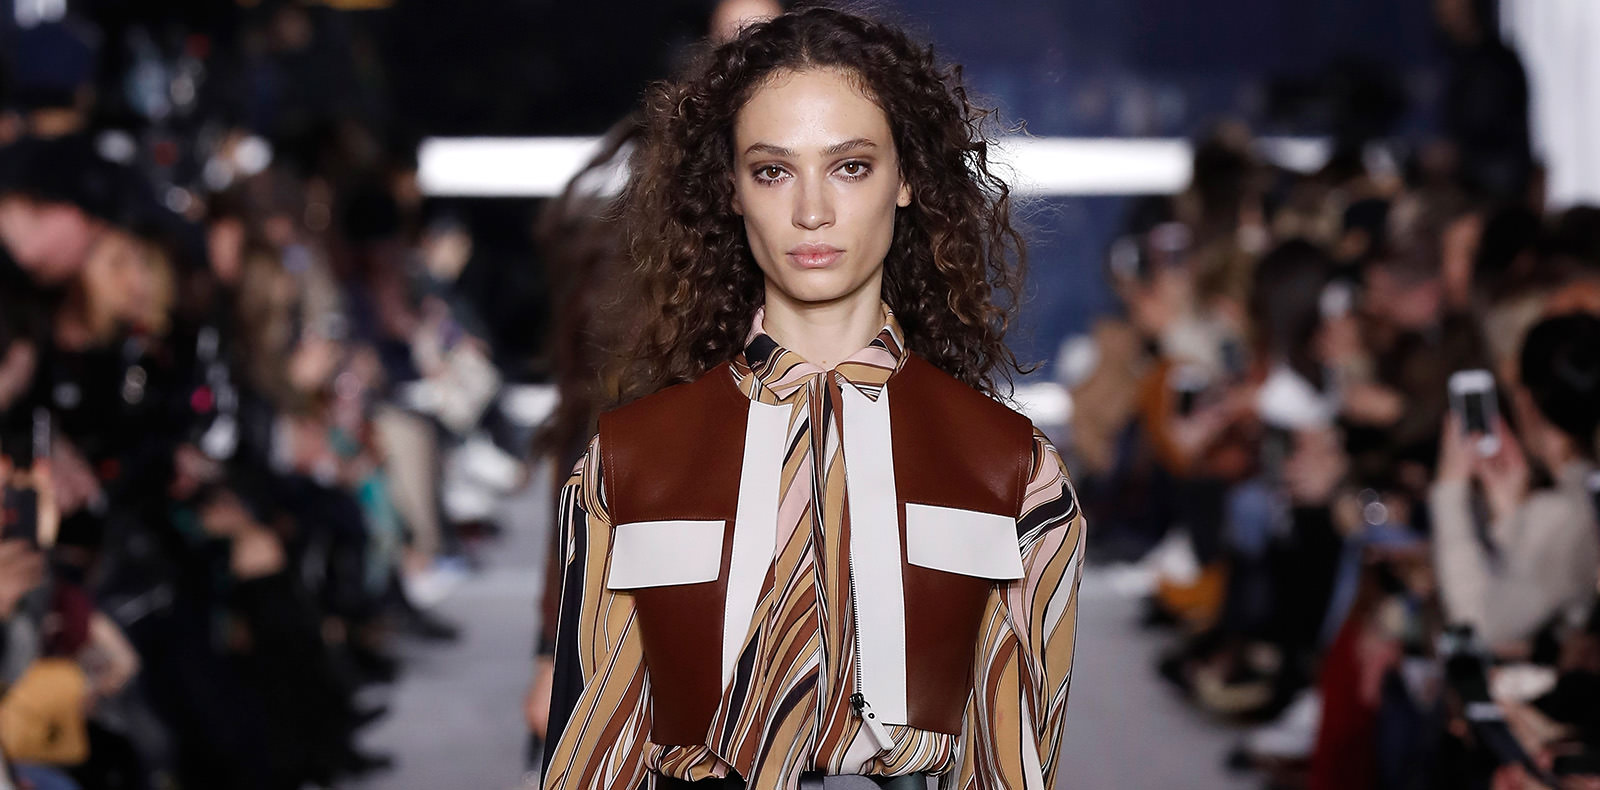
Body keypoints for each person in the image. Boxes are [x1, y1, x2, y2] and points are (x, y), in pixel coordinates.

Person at [540, 8, 1085, 790]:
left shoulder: (1012, 473)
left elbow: (1015, 760)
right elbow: (594, 758)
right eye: (773, 171)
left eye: (850, 166)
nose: (812, 211)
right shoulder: (629, 467)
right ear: (731, 190)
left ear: (906, 178)